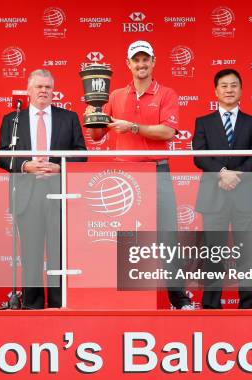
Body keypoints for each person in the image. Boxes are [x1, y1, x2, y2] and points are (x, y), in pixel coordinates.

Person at [87, 40, 193, 309]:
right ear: (128, 64)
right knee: (128, 238)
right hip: (126, 175)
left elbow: (168, 132)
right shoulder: (114, 96)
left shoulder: (166, 93)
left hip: (157, 170)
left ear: (153, 62)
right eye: (136, 60)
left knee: (168, 236)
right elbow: (97, 135)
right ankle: (128, 299)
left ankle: (178, 299)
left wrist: (133, 127)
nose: (141, 64)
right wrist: (92, 114)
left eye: (146, 59)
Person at [0, 69, 86, 309]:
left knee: (58, 254)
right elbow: (2, 156)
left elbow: (81, 155)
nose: (43, 91)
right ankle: (32, 306)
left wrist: (59, 167)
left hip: (59, 193)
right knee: (31, 255)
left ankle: (59, 305)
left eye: (48, 87)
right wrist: (26, 165)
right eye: (39, 87)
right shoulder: (12, 119)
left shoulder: (68, 118)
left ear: (53, 90)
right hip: (27, 194)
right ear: (28, 90)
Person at [193, 69, 252, 309]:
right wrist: (223, 173)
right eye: (224, 86)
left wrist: (237, 175)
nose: (229, 90)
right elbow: (199, 156)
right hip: (214, 196)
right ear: (216, 91)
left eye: (234, 85)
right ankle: (211, 306)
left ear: (241, 90)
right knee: (214, 254)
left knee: (248, 254)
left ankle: (248, 307)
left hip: (246, 196)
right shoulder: (203, 122)